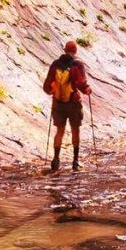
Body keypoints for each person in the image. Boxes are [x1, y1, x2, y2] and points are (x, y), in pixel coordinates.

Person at [40, 40, 92, 172]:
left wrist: (52, 91)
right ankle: (75, 161)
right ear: (75, 51)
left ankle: (56, 159)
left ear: (64, 50)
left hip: (58, 103)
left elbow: (46, 85)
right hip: (73, 103)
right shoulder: (77, 65)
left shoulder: (55, 64)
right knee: (75, 130)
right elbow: (81, 84)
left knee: (60, 131)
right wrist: (87, 90)